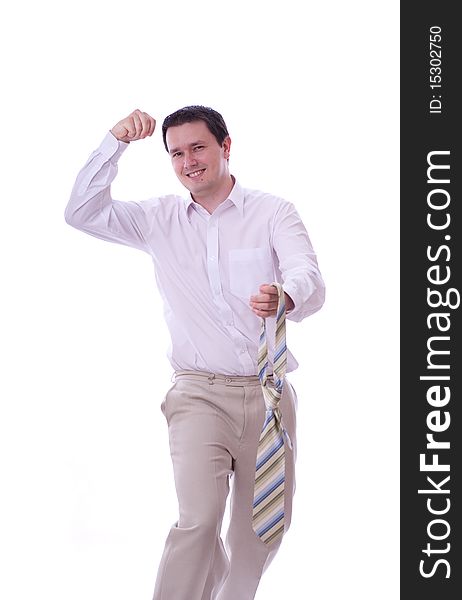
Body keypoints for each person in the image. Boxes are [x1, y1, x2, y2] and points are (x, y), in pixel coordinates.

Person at [64, 106, 325, 600]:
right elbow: (81, 212)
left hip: (268, 396)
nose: (188, 161)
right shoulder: (155, 219)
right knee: (199, 521)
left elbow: (308, 276)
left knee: (260, 532)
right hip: (198, 394)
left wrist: (283, 296)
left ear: (226, 147)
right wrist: (112, 143)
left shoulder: (273, 212)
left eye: (198, 148)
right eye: (177, 153)